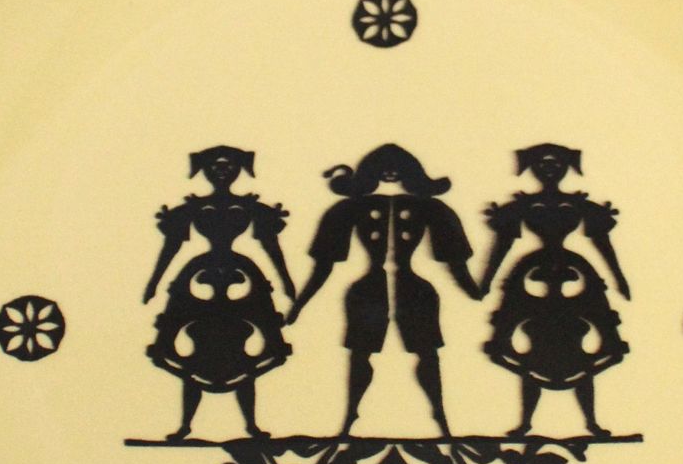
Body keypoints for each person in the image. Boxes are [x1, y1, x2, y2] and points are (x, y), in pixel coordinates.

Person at [288, 144, 479, 435]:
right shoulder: (348, 209)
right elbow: (324, 265)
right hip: (368, 291)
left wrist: (476, 290)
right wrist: (300, 304)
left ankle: (441, 419)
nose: (390, 173)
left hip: (415, 291)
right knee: (360, 354)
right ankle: (349, 419)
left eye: (398, 168)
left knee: (427, 354)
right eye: (382, 167)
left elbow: (456, 262)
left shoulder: (432, 208)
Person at [477, 143, 630, 435]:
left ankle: (590, 422)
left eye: (556, 164)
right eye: (542, 165)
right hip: (533, 271)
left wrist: (619, 277)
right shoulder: (525, 206)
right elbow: (503, 242)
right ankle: (526, 422)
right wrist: (486, 280)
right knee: (512, 332)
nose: (549, 170)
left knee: (599, 332)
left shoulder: (576, 205)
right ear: (531, 167)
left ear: (568, 167)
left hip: (571, 270)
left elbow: (601, 240)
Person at [144, 146, 295, 440]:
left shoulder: (248, 207)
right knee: (181, 347)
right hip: (202, 275)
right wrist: (154, 282)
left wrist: (287, 281)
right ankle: (186, 425)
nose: (222, 172)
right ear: (203, 170)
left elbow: (271, 244)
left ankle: (250, 426)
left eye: (230, 167)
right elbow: (171, 245)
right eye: (215, 167)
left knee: (258, 348)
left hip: (239, 275)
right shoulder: (196, 208)